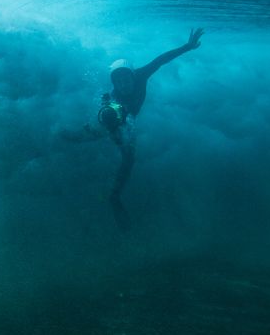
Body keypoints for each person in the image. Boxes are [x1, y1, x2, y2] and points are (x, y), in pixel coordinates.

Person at [61, 28, 204, 231]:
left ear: (132, 76)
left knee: (129, 158)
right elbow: (108, 112)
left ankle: (115, 196)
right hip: (119, 120)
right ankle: (67, 137)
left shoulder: (141, 75)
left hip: (127, 120)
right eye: (118, 82)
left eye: (125, 80)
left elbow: (161, 60)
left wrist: (188, 47)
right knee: (99, 133)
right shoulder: (114, 95)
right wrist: (110, 122)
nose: (123, 84)